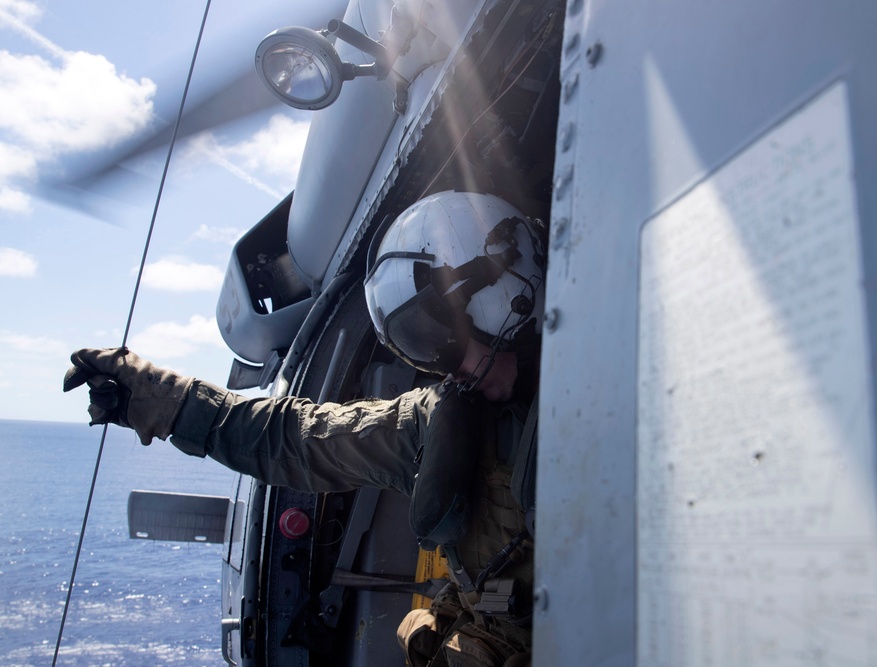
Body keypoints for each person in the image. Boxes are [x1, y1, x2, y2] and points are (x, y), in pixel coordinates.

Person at [64, 190, 546, 667]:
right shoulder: (439, 419)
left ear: (505, 293)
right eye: (418, 347)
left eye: (437, 337)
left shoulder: (606, 400)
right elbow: (303, 440)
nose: (442, 369)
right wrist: (164, 400)